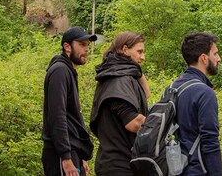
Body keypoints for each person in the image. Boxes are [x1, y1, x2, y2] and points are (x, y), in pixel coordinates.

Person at [90, 32, 150, 176]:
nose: (143, 57)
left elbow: (146, 95)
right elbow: (134, 123)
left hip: (116, 162)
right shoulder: (119, 80)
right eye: (139, 52)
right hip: (118, 166)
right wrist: (162, 125)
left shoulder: (116, 74)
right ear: (125, 49)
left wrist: (138, 72)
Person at [43, 26, 97, 176]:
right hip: (60, 155)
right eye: (81, 44)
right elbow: (57, 115)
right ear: (67, 47)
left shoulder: (68, 70)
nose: (86, 49)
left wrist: (81, 155)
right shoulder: (60, 71)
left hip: (73, 151)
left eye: (87, 45)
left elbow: (72, 116)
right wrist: (66, 158)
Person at [170, 32, 222, 176]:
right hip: (197, 170)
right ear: (204, 58)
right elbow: (210, 141)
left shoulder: (173, 87)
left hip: (175, 168)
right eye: (215, 54)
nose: (219, 58)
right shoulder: (204, 93)